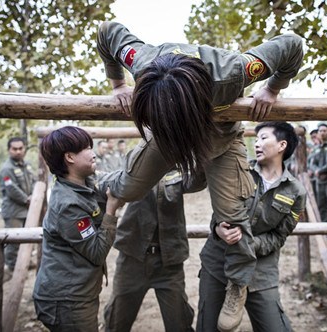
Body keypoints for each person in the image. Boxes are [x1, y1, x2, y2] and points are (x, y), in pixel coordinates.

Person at [97, 20, 304, 330]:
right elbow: (107, 31)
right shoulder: (140, 61)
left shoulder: (237, 71)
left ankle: (237, 282)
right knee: (127, 187)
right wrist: (118, 85)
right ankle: (98, 179)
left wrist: (273, 87)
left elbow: (292, 44)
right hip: (167, 134)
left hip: (220, 139)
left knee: (233, 213)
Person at [197, 121, 306, 332]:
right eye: (256, 139)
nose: (257, 143)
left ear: (282, 145)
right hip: (219, 262)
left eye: (264, 138)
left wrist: (249, 244)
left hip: (261, 271)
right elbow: (219, 212)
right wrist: (219, 229)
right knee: (208, 326)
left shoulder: (296, 191)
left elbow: (279, 236)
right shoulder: (239, 170)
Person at [33, 126, 123, 332]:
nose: (92, 152)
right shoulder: (67, 205)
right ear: (70, 157)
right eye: (86, 148)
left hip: (77, 294)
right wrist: (111, 210)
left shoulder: (83, 184)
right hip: (66, 301)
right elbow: (97, 252)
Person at [104, 169, 206, 332]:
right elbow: (115, 185)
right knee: (116, 322)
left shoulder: (178, 171)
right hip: (132, 258)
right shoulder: (136, 164)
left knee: (179, 324)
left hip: (169, 261)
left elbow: (197, 180)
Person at [0, 137, 36, 272]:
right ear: (9, 150)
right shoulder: (6, 169)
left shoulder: (27, 165)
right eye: (14, 149)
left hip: (27, 210)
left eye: (21, 148)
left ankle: (25, 261)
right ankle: (13, 267)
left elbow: (35, 181)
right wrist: (27, 199)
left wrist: (34, 195)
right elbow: (11, 189)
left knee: (27, 238)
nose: (18, 151)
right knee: (13, 240)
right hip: (14, 211)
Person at [308, 123, 327, 224]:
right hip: (319, 180)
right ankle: (325, 227)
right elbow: (311, 163)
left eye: (324, 131)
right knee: (321, 205)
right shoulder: (316, 149)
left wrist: (321, 170)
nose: (322, 133)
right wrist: (316, 171)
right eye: (320, 131)